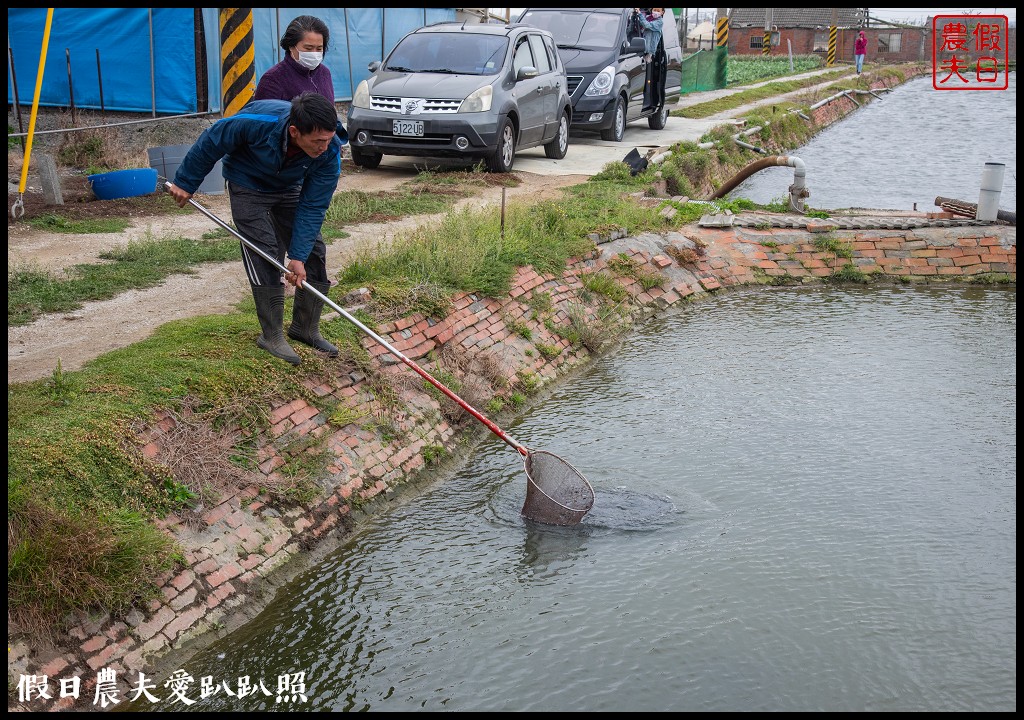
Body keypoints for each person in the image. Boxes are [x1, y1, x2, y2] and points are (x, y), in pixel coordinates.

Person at [167, 93, 348, 366]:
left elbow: (313, 207)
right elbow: (212, 140)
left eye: (328, 139)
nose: (324, 146)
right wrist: (185, 181)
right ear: (295, 132)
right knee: (264, 251)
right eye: (317, 141)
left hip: (288, 186)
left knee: (314, 250)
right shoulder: (258, 122)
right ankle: (271, 334)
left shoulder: (331, 150)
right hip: (247, 182)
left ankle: (305, 328)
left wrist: (297, 256)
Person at [254, 15, 334, 105]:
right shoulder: (273, 79)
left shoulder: (324, 73)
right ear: (291, 46)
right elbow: (264, 116)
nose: (314, 53)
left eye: (319, 48)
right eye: (308, 48)